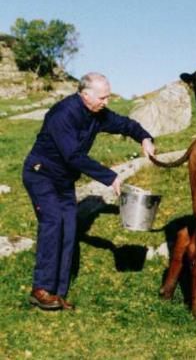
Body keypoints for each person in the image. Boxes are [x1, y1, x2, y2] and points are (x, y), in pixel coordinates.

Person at [22, 72, 155, 311]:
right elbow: (72, 155)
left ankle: (57, 293)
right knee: (53, 222)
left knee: (69, 229)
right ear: (85, 95)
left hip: (63, 180)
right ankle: (40, 289)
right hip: (41, 174)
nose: (106, 102)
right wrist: (109, 177)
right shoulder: (63, 114)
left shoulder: (98, 113)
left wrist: (144, 137)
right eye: (102, 97)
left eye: (107, 97)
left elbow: (124, 123)